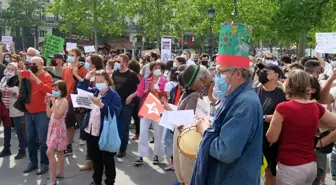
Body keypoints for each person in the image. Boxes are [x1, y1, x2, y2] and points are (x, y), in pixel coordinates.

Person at [191, 24, 263, 185]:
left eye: (220, 72)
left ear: (237, 74)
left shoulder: (245, 103)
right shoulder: (232, 97)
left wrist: (205, 130)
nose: (216, 77)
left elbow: (225, 151)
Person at [266, 69, 336, 185]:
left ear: (288, 84)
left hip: (290, 165)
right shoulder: (315, 107)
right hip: (311, 164)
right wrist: (322, 139)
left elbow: (271, 138)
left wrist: (274, 121)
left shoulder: (283, 107)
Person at [165, 65, 212, 185]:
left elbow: (187, 121)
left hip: (191, 138)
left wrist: (170, 111)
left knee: (188, 173)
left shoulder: (196, 94)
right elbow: (187, 120)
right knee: (185, 173)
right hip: (187, 137)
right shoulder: (192, 94)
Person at [77, 70, 122, 185]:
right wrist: (86, 78)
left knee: (107, 160)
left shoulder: (113, 95)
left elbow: (115, 113)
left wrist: (100, 105)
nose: (99, 83)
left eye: (102, 81)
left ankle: (109, 181)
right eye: (97, 81)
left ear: (107, 81)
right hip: (91, 131)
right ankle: (96, 180)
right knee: (96, 159)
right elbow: (80, 91)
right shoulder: (94, 91)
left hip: (104, 133)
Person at [255, 63, 286, 185]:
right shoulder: (254, 91)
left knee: (270, 172)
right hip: (254, 139)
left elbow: (286, 116)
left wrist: (275, 118)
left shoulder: (282, 95)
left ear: (275, 75)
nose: (261, 73)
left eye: (265, 71)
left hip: (271, 142)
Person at [134, 62, 168, 166]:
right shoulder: (145, 80)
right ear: (151, 69)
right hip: (147, 108)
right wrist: (148, 89)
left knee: (158, 133)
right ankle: (140, 155)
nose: (157, 69)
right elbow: (139, 94)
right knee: (143, 131)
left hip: (158, 109)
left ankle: (156, 155)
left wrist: (160, 94)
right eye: (155, 67)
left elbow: (166, 97)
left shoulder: (165, 81)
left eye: (159, 68)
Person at [23, 56, 53, 175]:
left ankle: (44, 163)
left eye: (34, 64)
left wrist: (34, 78)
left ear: (41, 64)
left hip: (41, 112)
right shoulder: (27, 76)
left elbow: (48, 91)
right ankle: (33, 162)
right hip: (28, 111)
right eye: (30, 63)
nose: (31, 66)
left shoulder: (47, 76)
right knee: (30, 139)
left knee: (43, 139)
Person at [112, 54, 140, 158]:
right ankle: (115, 147)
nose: (117, 63)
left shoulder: (132, 75)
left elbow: (139, 89)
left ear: (125, 63)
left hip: (127, 104)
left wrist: (131, 97)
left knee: (124, 128)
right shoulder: (115, 73)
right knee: (115, 126)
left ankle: (122, 149)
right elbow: (112, 85)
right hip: (116, 103)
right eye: (116, 61)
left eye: (119, 61)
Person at [62, 48, 88, 156]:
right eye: (69, 54)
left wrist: (77, 75)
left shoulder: (82, 70)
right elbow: (64, 84)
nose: (70, 56)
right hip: (67, 100)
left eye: (72, 55)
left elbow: (87, 84)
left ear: (78, 57)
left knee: (84, 125)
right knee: (69, 125)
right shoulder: (65, 69)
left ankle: (89, 152)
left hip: (78, 101)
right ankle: (68, 146)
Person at [0, 62, 26, 159]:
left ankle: (22, 150)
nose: (10, 71)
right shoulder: (4, 79)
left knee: (19, 129)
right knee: (6, 128)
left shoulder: (18, 80)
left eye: (12, 69)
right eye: (8, 68)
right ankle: (6, 148)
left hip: (15, 107)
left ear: (16, 71)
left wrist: (13, 92)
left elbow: (22, 96)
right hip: (5, 107)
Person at [45, 80, 69, 185]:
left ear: (62, 90)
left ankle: (53, 179)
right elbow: (50, 115)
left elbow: (58, 115)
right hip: (53, 126)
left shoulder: (64, 101)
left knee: (49, 152)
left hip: (59, 128)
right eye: (53, 88)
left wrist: (53, 102)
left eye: (57, 88)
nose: (54, 90)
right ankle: (60, 172)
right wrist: (47, 103)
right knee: (59, 151)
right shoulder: (56, 100)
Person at [128, 59, 141, 140]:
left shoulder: (134, 75)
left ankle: (137, 134)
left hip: (134, 97)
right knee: (136, 117)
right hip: (137, 97)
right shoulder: (139, 75)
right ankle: (137, 133)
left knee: (135, 117)